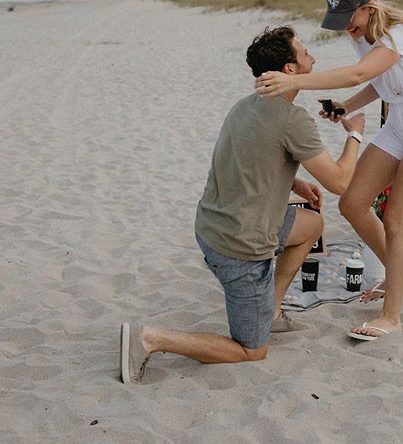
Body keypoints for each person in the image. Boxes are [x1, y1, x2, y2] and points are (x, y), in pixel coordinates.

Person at [120, 26, 365, 383]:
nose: (312, 55)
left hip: (212, 226)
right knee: (252, 350)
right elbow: (340, 182)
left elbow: (244, 156)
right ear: (290, 70)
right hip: (241, 247)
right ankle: (151, 339)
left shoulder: (245, 105)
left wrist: (292, 179)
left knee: (311, 225)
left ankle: (273, 312)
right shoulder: (292, 119)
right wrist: (355, 134)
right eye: (304, 52)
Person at [255, 0, 403, 341]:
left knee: (396, 219)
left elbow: (360, 73)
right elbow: (380, 80)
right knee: (352, 203)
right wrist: (346, 106)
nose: (346, 25)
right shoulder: (361, 35)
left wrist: (295, 82)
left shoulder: (401, 32)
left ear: (369, 7)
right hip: (398, 122)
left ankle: (391, 316)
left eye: (351, 16)